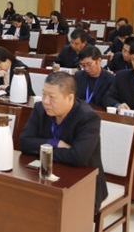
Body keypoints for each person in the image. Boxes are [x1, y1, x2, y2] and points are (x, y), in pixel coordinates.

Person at [19, 72, 108, 212]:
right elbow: (24, 142)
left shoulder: (88, 118)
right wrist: (55, 143)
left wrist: (42, 148)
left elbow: (78, 157)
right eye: (44, 94)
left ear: (70, 98)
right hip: (46, 177)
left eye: (52, 97)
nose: (46, 101)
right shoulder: (40, 109)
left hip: (83, 184)